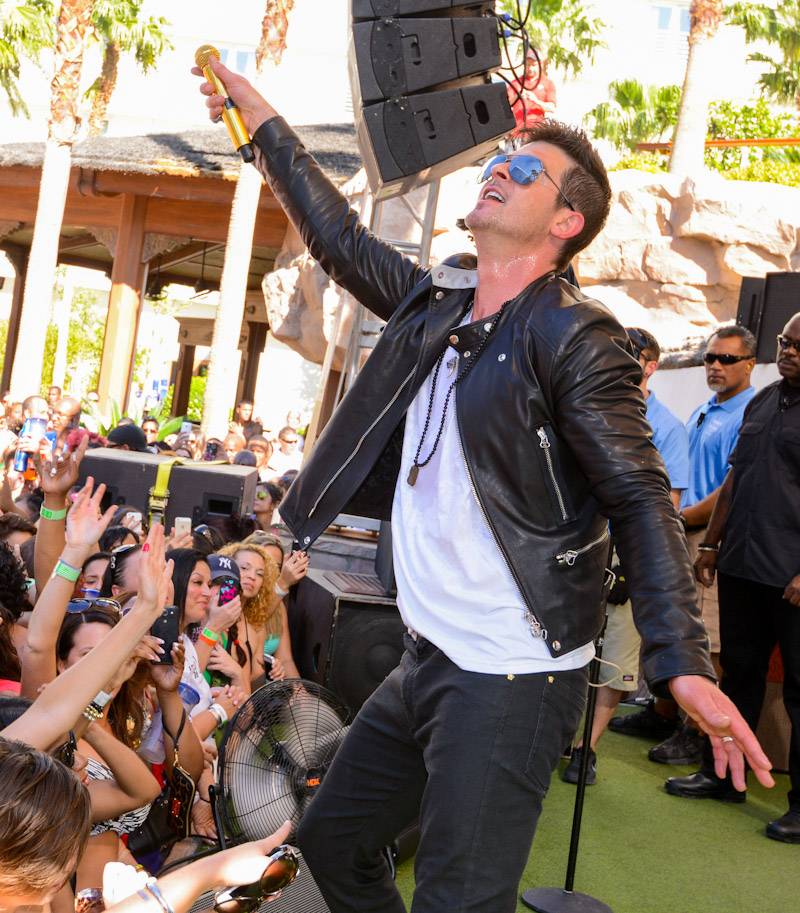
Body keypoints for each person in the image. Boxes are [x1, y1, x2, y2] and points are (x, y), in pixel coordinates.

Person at [195, 59, 772, 912]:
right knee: (333, 844)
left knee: (458, 897)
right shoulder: (439, 302)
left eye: (526, 169)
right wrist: (264, 129)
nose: (500, 169)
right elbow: (339, 240)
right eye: (500, 160)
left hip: (512, 670)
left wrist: (680, 660)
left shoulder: (576, 336)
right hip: (428, 654)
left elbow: (641, 499)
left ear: (566, 221)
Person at [666, 314, 800, 842]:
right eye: (785, 342)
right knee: (739, 674)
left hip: (792, 578)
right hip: (743, 565)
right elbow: (735, 477)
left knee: (799, 692)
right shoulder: (763, 401)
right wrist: (713, 544)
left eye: (799, 346)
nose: (788, 351)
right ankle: (723, 777)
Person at [621, 326, 758, 764]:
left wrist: (684, 521)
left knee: (704, 637)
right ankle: (662, 714)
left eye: (727, 359)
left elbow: (730, 487)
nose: (715, 366)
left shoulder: (747, 413)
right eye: (710, 358)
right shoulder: (706, 409)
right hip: (684, 530)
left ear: (750, 364)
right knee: (673, 622)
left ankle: (696, 733)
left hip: (708, 537)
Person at [563, 327, 689, 783]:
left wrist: (636, 568)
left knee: (615, 655)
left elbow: (667, 505)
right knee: (567, 648)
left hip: (625, 557)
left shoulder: (667, 427)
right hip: (575, 548)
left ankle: (586, 748)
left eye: (631, 353)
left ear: (650, 365)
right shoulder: (583, 401)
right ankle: (558, 731)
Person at [507, 50, 557, 131]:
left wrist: (535, 100)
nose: (530, 68)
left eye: (533, 65)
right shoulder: (515, 82)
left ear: (540, 65)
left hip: (537, 132)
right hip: (516, 132)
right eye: (527, 65)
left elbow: (552, 108)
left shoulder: (548, 83)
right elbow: (505, 106)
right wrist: (517, 96)